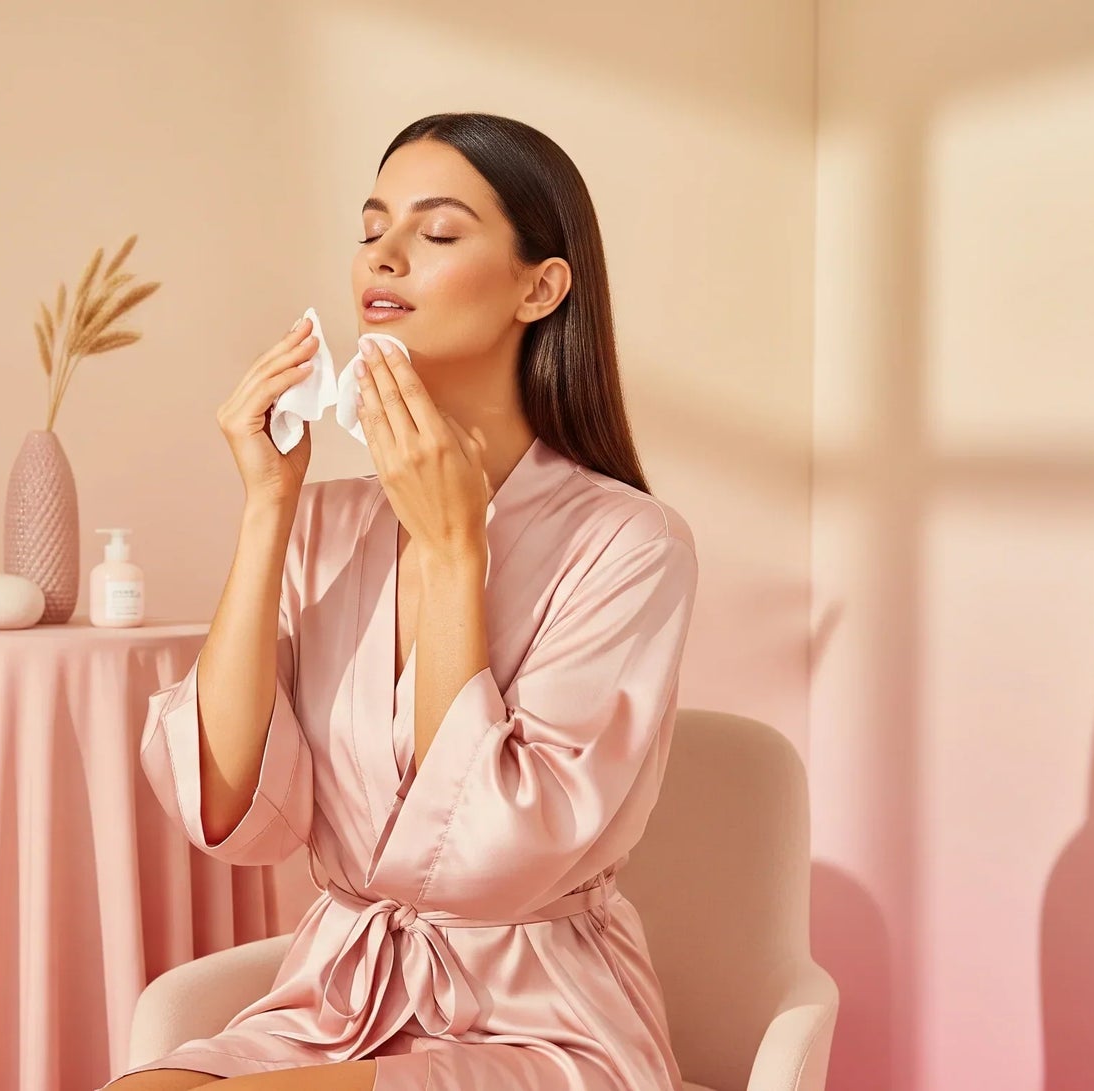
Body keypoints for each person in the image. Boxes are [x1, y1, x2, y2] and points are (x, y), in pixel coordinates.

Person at [105, 112, 699, 1091]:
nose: (382, 256)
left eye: (437, 231)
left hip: (544, 1028)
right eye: (371, 227)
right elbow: (227, 804)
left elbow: (491, 856)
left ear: (540, 287)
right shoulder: (326, 521)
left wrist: (455, 548)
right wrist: (268, 505)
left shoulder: (629, 543)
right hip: (339, 1004)